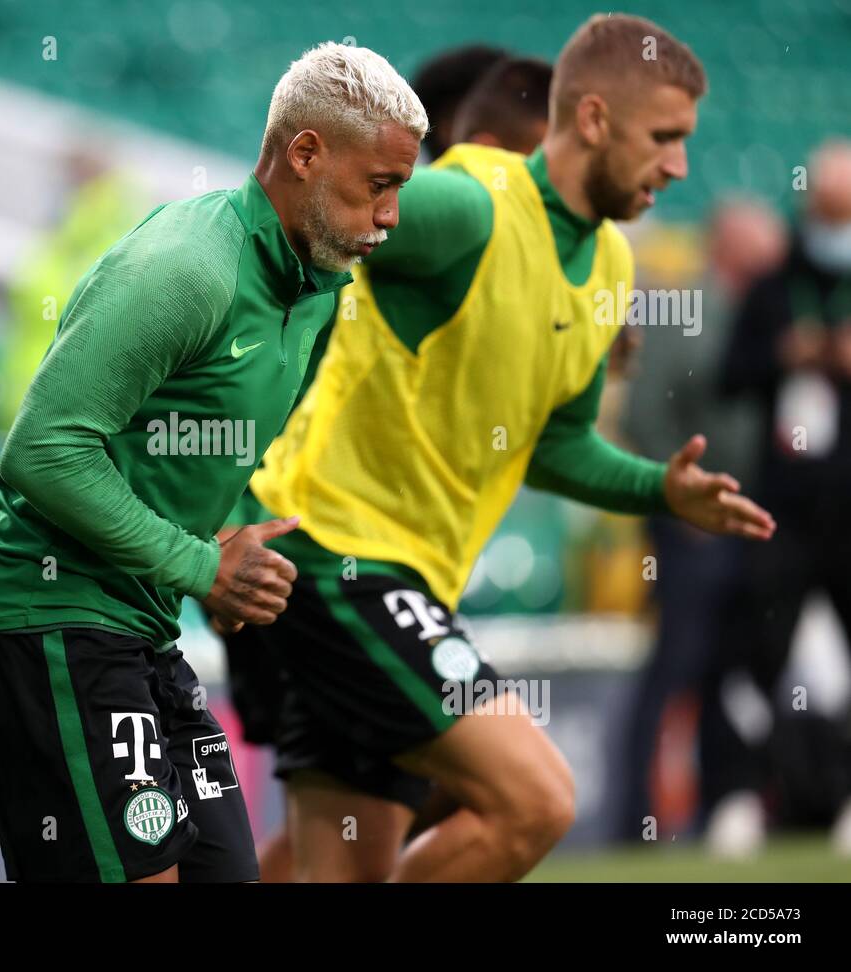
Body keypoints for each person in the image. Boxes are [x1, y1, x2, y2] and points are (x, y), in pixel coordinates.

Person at [240, 13, 774, 882]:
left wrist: (658, 491)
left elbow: (556, 443)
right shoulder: (470, 207)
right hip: (333, 553)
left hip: (405, 577)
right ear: (593, 120)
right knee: (536, 800)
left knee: (334, 871)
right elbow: (294, 212)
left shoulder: (608, 267)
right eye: (665, 138)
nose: (680, 166)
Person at [0, 42, 425, 883]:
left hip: (141, 632)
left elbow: (195, 450)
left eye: (399, 192)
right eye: (378, 187)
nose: (388, 217)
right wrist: (202, 565)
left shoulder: (319, 293)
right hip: (43, 620)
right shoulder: (186, 267)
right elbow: (43, 451)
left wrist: (227, 548)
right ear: (304, 153)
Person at [221, 46, 553, 884]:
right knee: (496, 793)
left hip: (337, 552)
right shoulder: (383, 252)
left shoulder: (431, 254)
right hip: (316, 550)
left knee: (340, 826)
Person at [617, 199, 786, 845]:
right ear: (728, 244)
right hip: (690, 528)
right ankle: (637, 819)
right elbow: (644, 417)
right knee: (676, 666)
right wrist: (675, 501)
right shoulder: (683, 312)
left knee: (728, 667)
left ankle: (724, 805)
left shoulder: (765, 316)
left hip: (749, 524)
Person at [717, 140, 851, 856]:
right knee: (756, 653)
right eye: (828, 212)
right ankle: (741, 797)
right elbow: (730, 375)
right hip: (785, 510)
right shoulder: (775, 287)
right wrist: (784, 356)